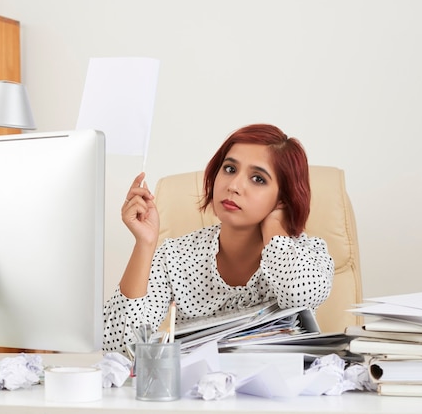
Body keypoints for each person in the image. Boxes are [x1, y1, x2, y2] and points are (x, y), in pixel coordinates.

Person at [103, 123, 334, 354]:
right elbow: (119, 347)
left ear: (283, 198)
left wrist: (274, 227)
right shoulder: (175, 255)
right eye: (230, 169)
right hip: (199, 387)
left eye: (258, 179)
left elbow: (301, 294)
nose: (233, 186)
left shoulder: (308, 252)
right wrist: (145, 244)